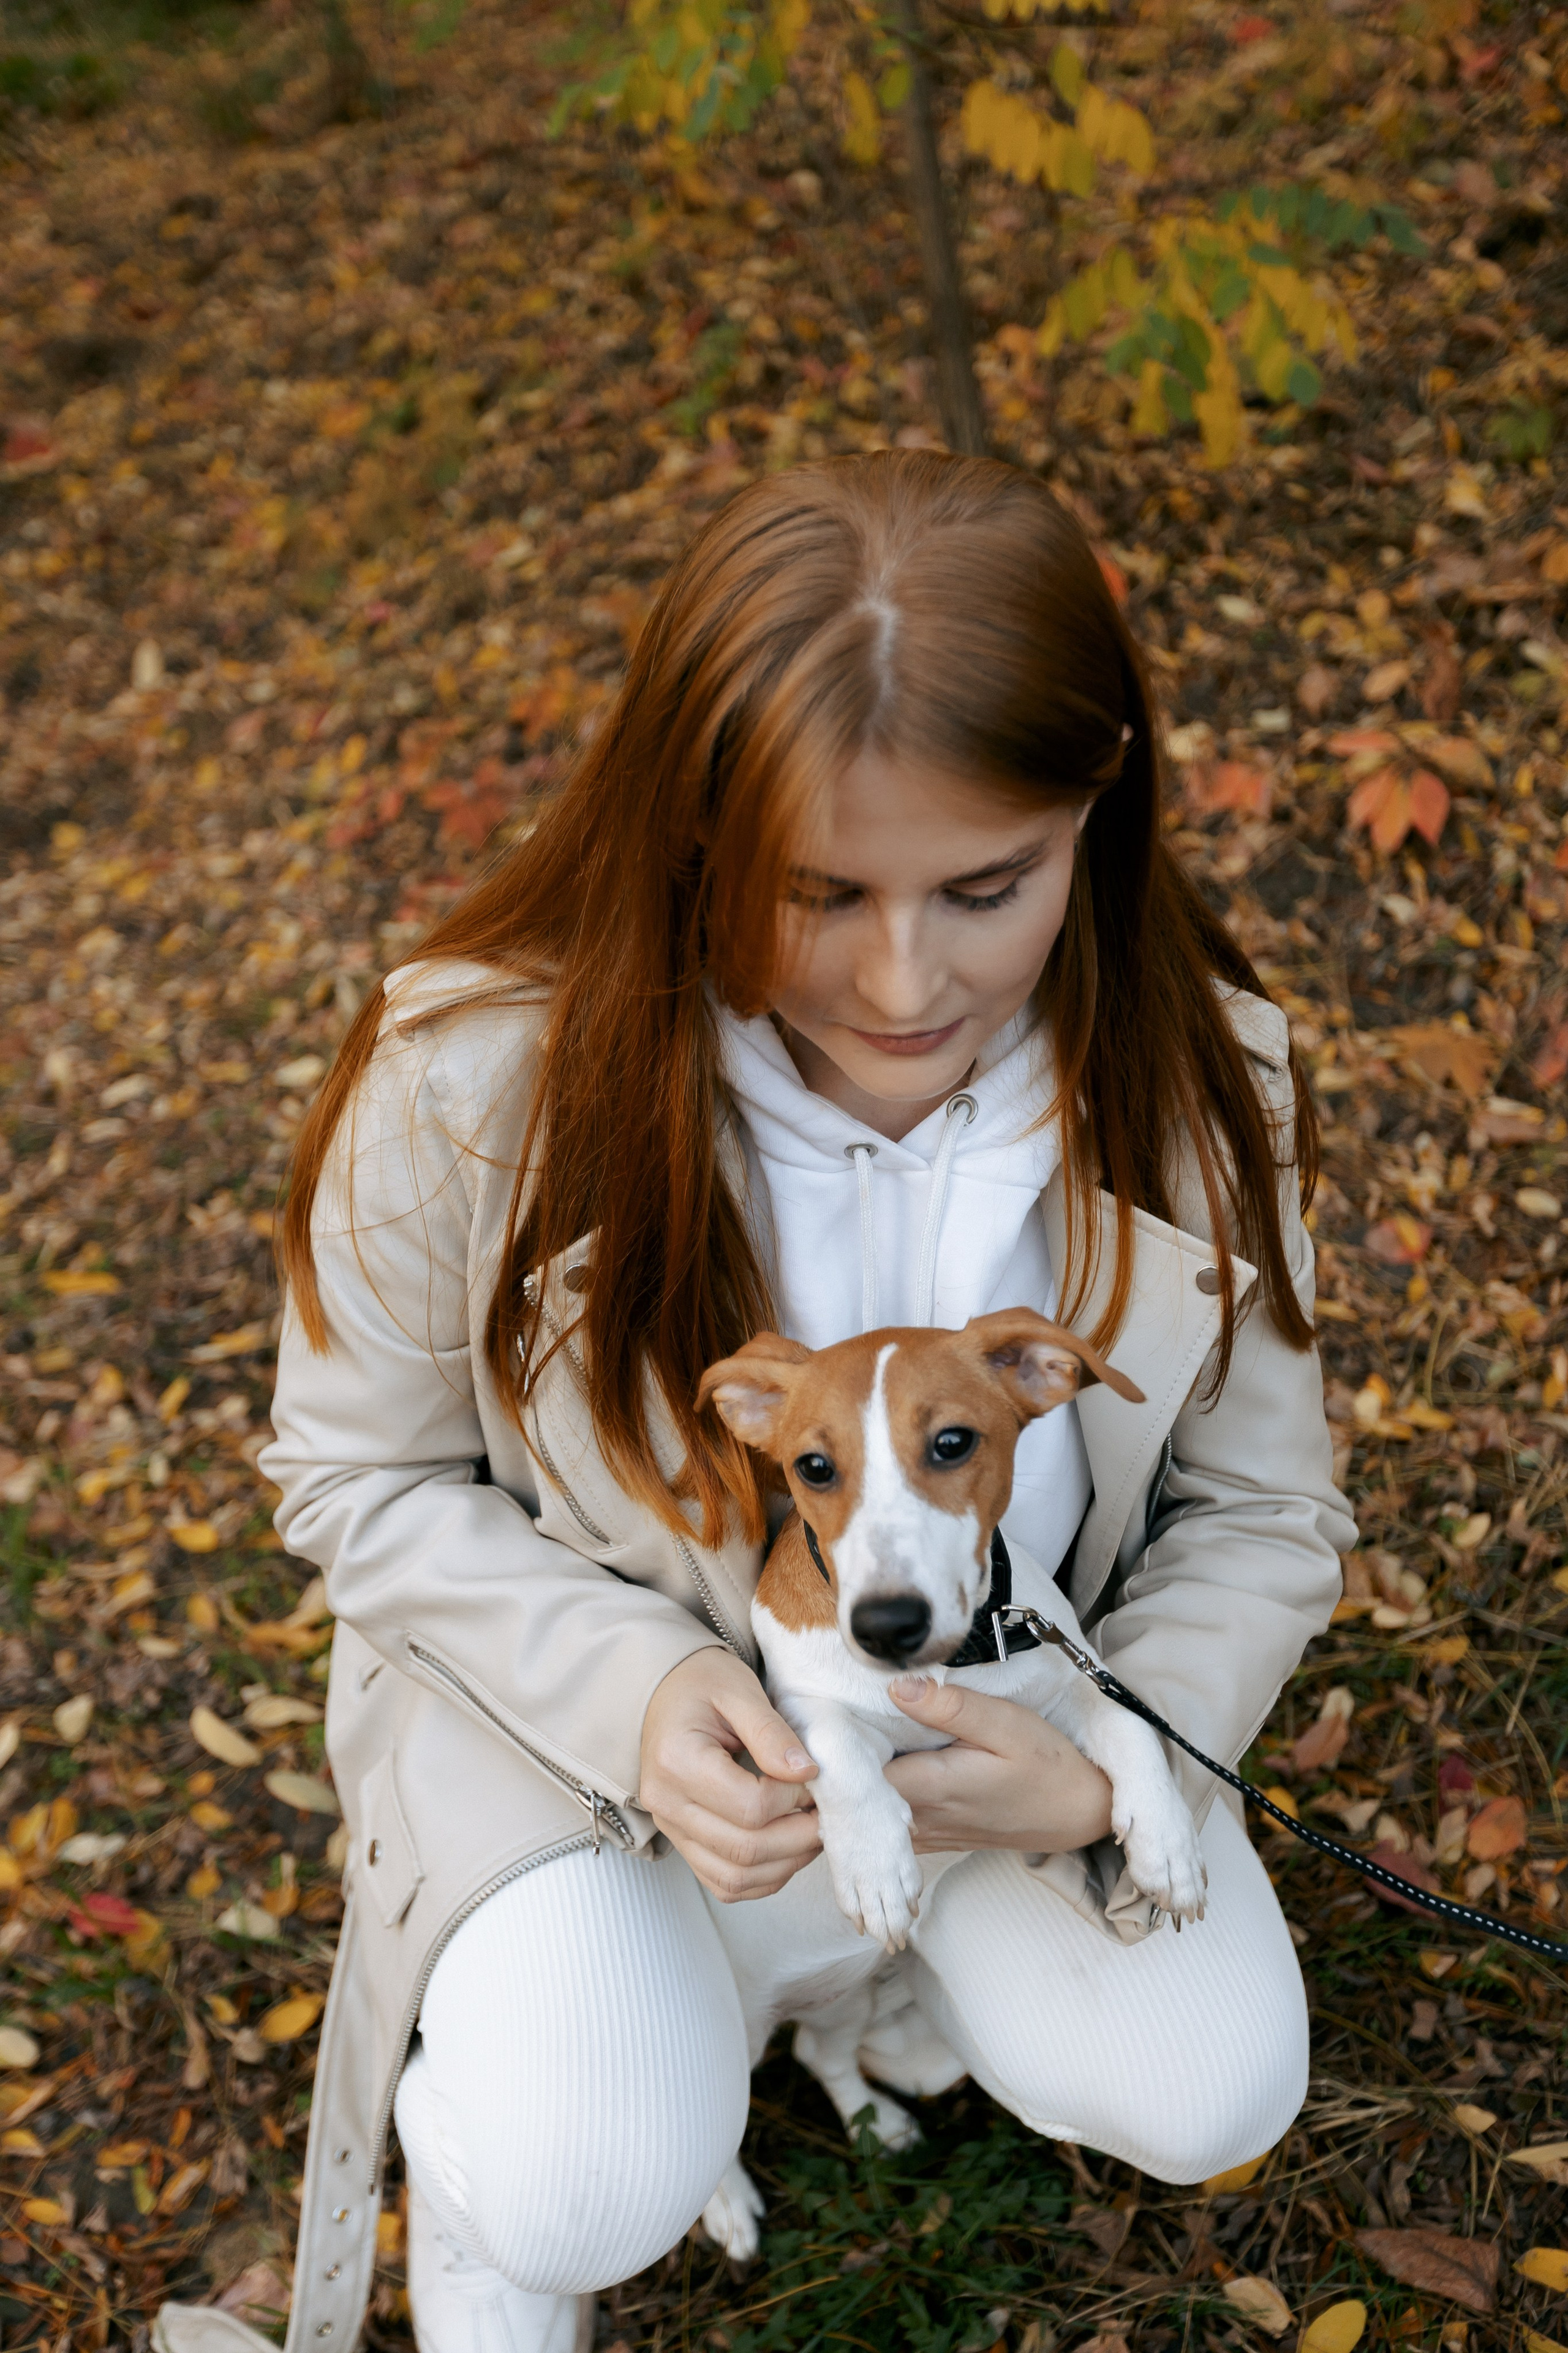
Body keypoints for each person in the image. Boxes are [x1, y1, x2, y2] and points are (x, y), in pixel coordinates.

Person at [217, 453, 1350, 2353]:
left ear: (1097, 814)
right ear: (690, 836)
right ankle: (517, 2110)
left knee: (1210, 2076)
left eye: (988, 885)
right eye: (818, 894)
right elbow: (355, 1473)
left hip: (986, 1719)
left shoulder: (1200, 1076)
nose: (909, 980)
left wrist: (1093, 1770)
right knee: (582, 2164)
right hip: (585, 1743)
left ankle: (837, 1973)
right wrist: (634, 1690)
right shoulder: (470, 1074)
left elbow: (1266, 1505)